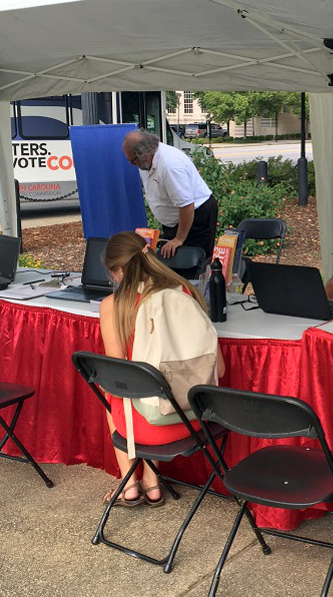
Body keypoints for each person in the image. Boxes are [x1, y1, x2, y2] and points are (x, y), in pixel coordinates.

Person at [98, 231, 225, 507]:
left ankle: (130, 484)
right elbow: (221, 370)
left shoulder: (114, 306)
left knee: (113, 394)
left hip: (150, 428)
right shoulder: (185, 292)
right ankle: (152, 481)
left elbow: (115, 379)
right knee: (157, 385)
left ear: (118, 270)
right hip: (195, 419)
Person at [122, 130, 218, 265]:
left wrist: (179, 239)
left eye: (132, 160)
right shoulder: (146, 160)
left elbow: (186, 205)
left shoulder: (169, 165)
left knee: (192, 265)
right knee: (172, 264)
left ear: (144, 153)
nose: (132, 164)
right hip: (175, 221)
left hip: (196, 217)